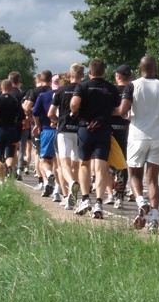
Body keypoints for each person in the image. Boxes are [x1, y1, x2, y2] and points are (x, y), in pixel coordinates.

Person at [119, 55, 159, 233]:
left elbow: (123, 110)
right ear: (156, 68)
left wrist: (125, 115)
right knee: (153, 180)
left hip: (138, 136)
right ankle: (154, 219)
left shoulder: (132, 86)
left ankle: (141, 202)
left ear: (139, 68)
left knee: (135, 175)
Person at [70, 58, 120, 218]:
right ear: (104, 71)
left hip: (85, 128)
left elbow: (74, 103)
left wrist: (75, 111)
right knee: (101, 168)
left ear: (89, 72)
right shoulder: (111, 88)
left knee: (84, 165)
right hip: (103, 130)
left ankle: (85, 199)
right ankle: (99, 202)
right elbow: (117, 109)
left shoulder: (83, 86)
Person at [49, 64, 85, 209]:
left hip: (64, 130)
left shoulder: (60, 91)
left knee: (64, 164)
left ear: (70, 76)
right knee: (76, 164)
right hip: (80, 130)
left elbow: (50, 114)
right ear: (83, 76)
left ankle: (71, 185)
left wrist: (59, 120)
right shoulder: (85, 90)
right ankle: (73, 196)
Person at [0, 78, 25, 183]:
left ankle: (1, 181)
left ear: (1, 87)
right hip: (11, 129)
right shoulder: (15, 100)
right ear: (11, 88)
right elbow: (22, 115)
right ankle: (9, 168)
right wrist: (16, 122)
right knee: (10, 155)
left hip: (0, 129)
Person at [110, 64, 133, 207]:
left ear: (117, 76)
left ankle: (110, 192)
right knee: (123, 163)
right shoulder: (133, 90)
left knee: (105, 162)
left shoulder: (111, 90)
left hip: (110, 130)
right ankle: (120, 197)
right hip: (128, 130)